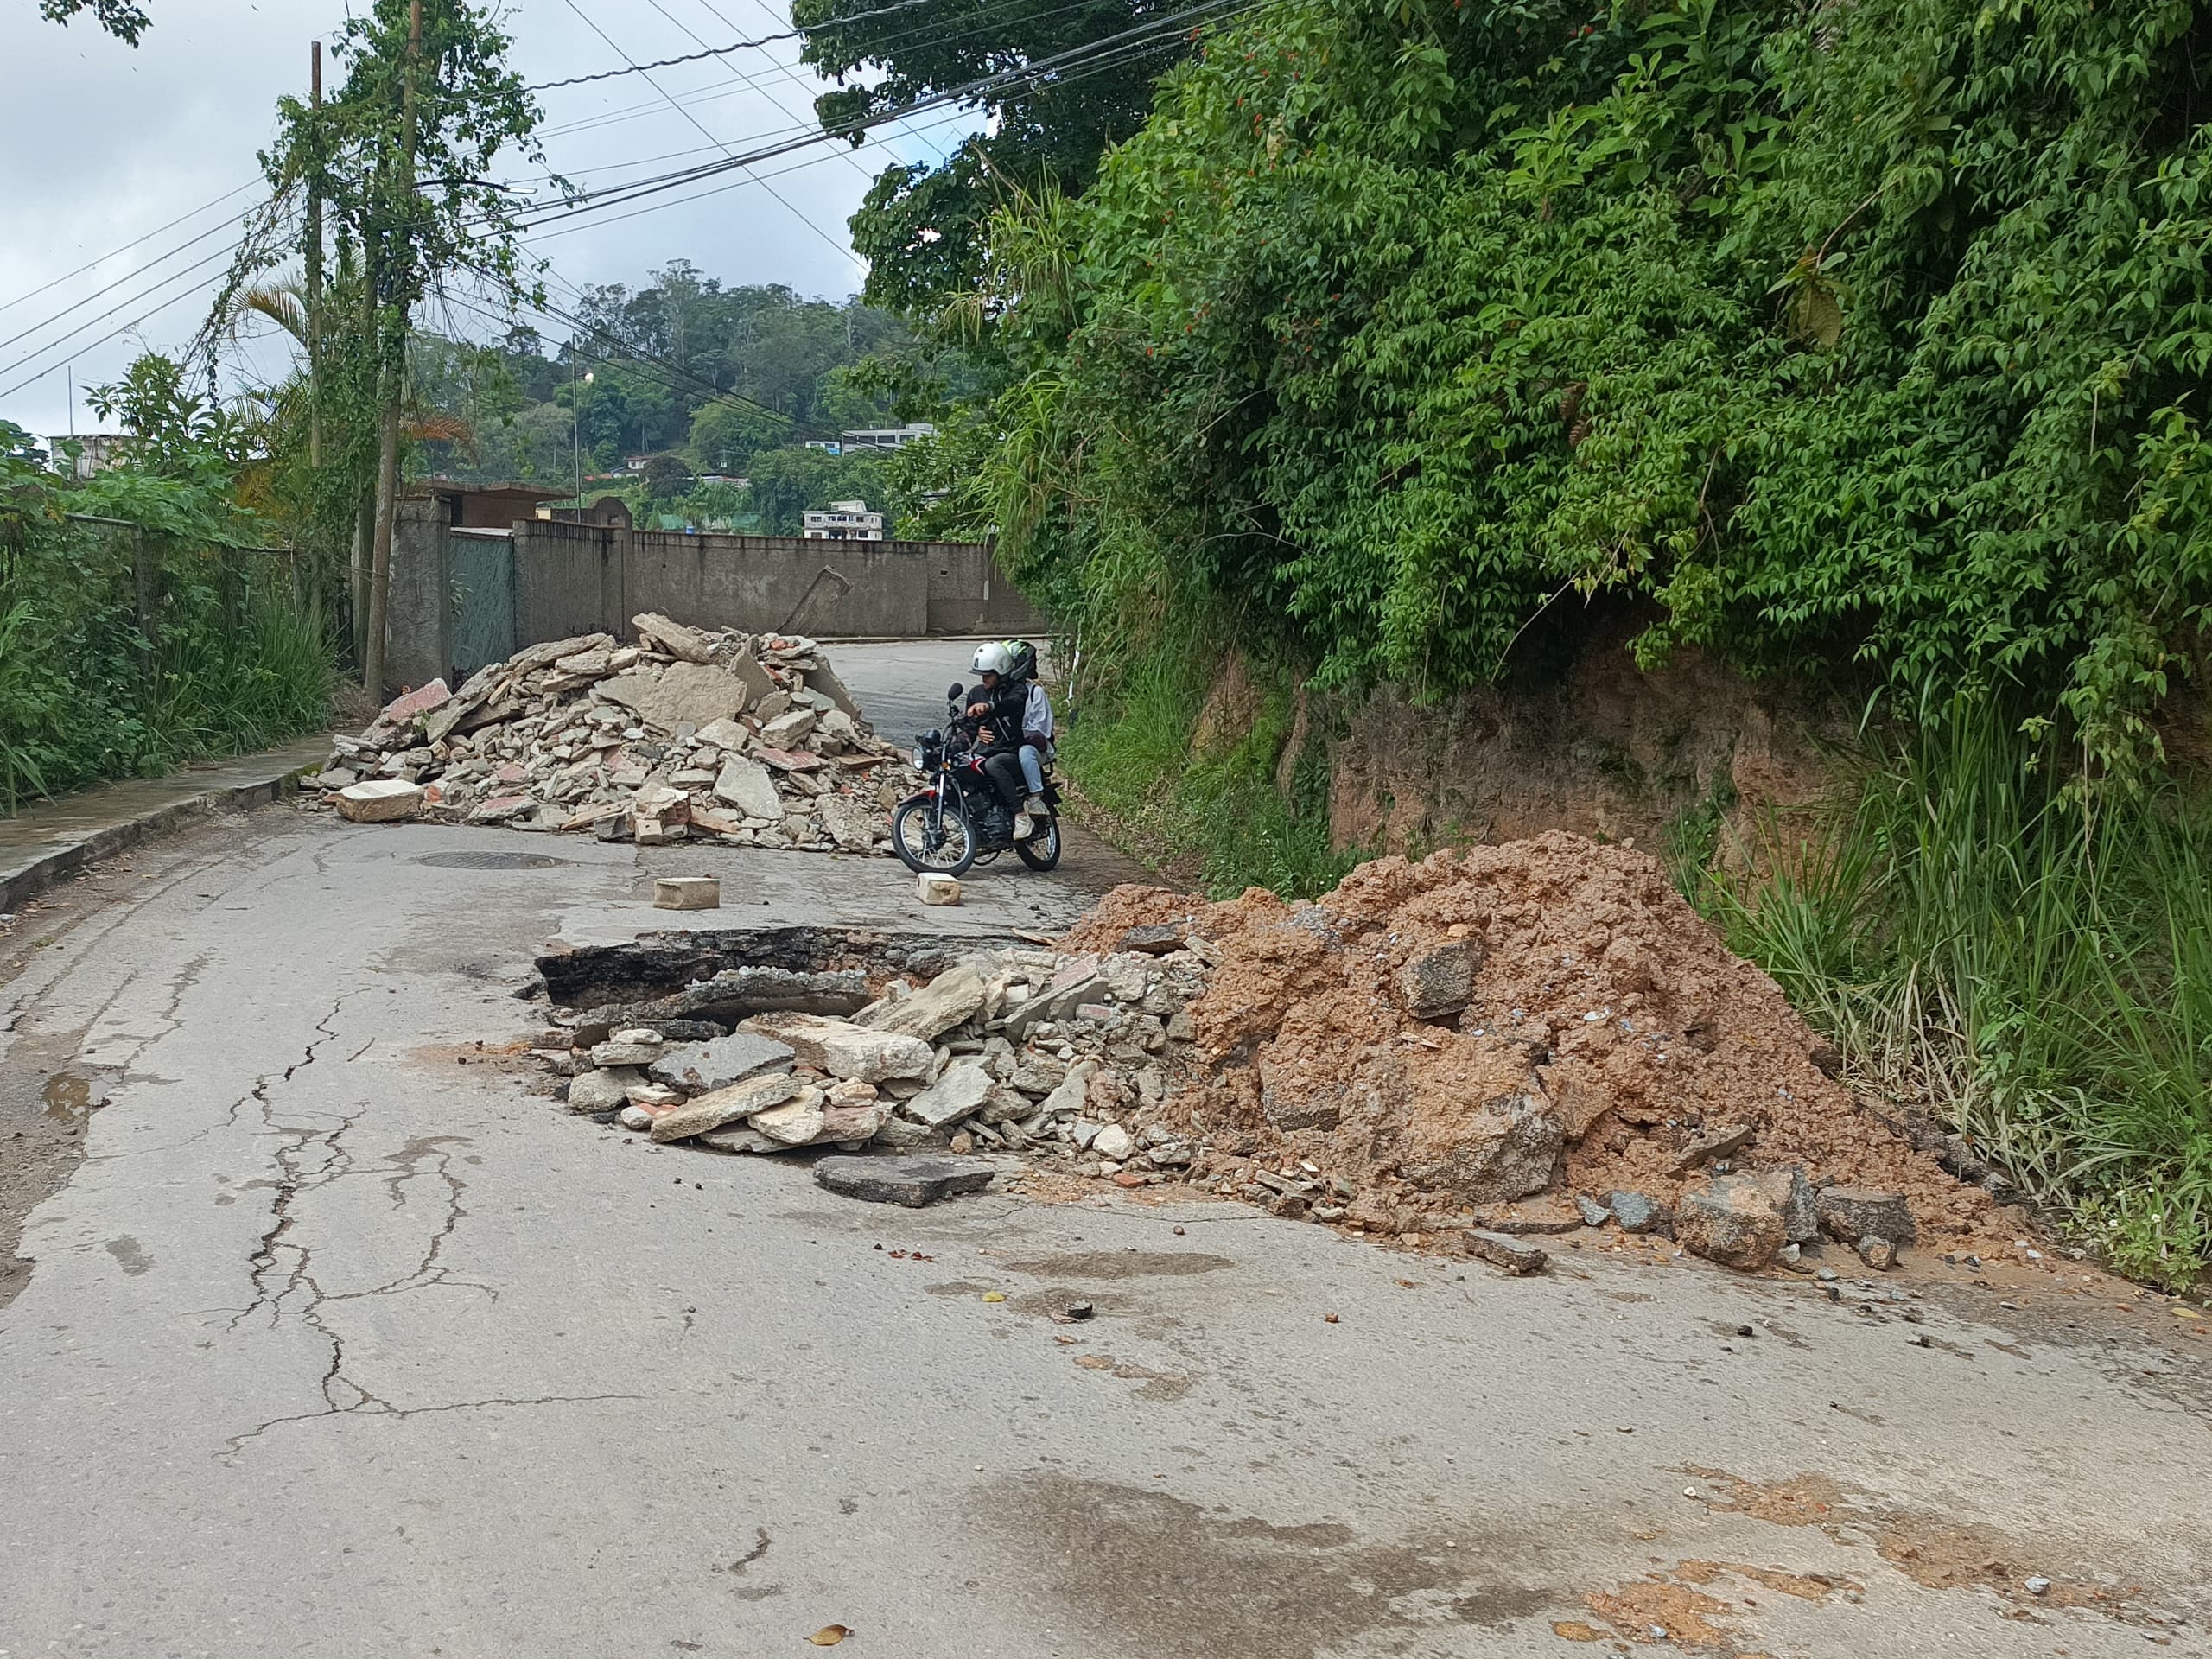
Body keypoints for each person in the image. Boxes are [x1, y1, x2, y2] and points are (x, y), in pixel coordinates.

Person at [965, 640, 1054, 839]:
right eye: (982, 675)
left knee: (996, 763)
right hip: (990, 749)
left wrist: (990, 708)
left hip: (1018, 748)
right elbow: (968, 727)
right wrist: (976, 730)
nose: (984, 679)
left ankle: (1021, 814)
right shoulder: (977, 693)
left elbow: (1012, 706)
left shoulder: (1022, 691)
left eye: (988, 675)